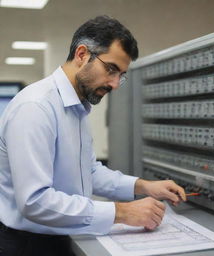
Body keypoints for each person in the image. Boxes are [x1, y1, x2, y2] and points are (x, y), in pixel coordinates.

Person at [0, 15, 186, 256]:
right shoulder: (36, 107)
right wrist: (122, 212)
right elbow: (35, 202)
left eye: (121, 75)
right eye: (111, 69)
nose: (116, 84)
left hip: (60, 235)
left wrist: (145, 186)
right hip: (28, 245)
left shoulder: (77, 106)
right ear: (81, 55)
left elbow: (88, 172)